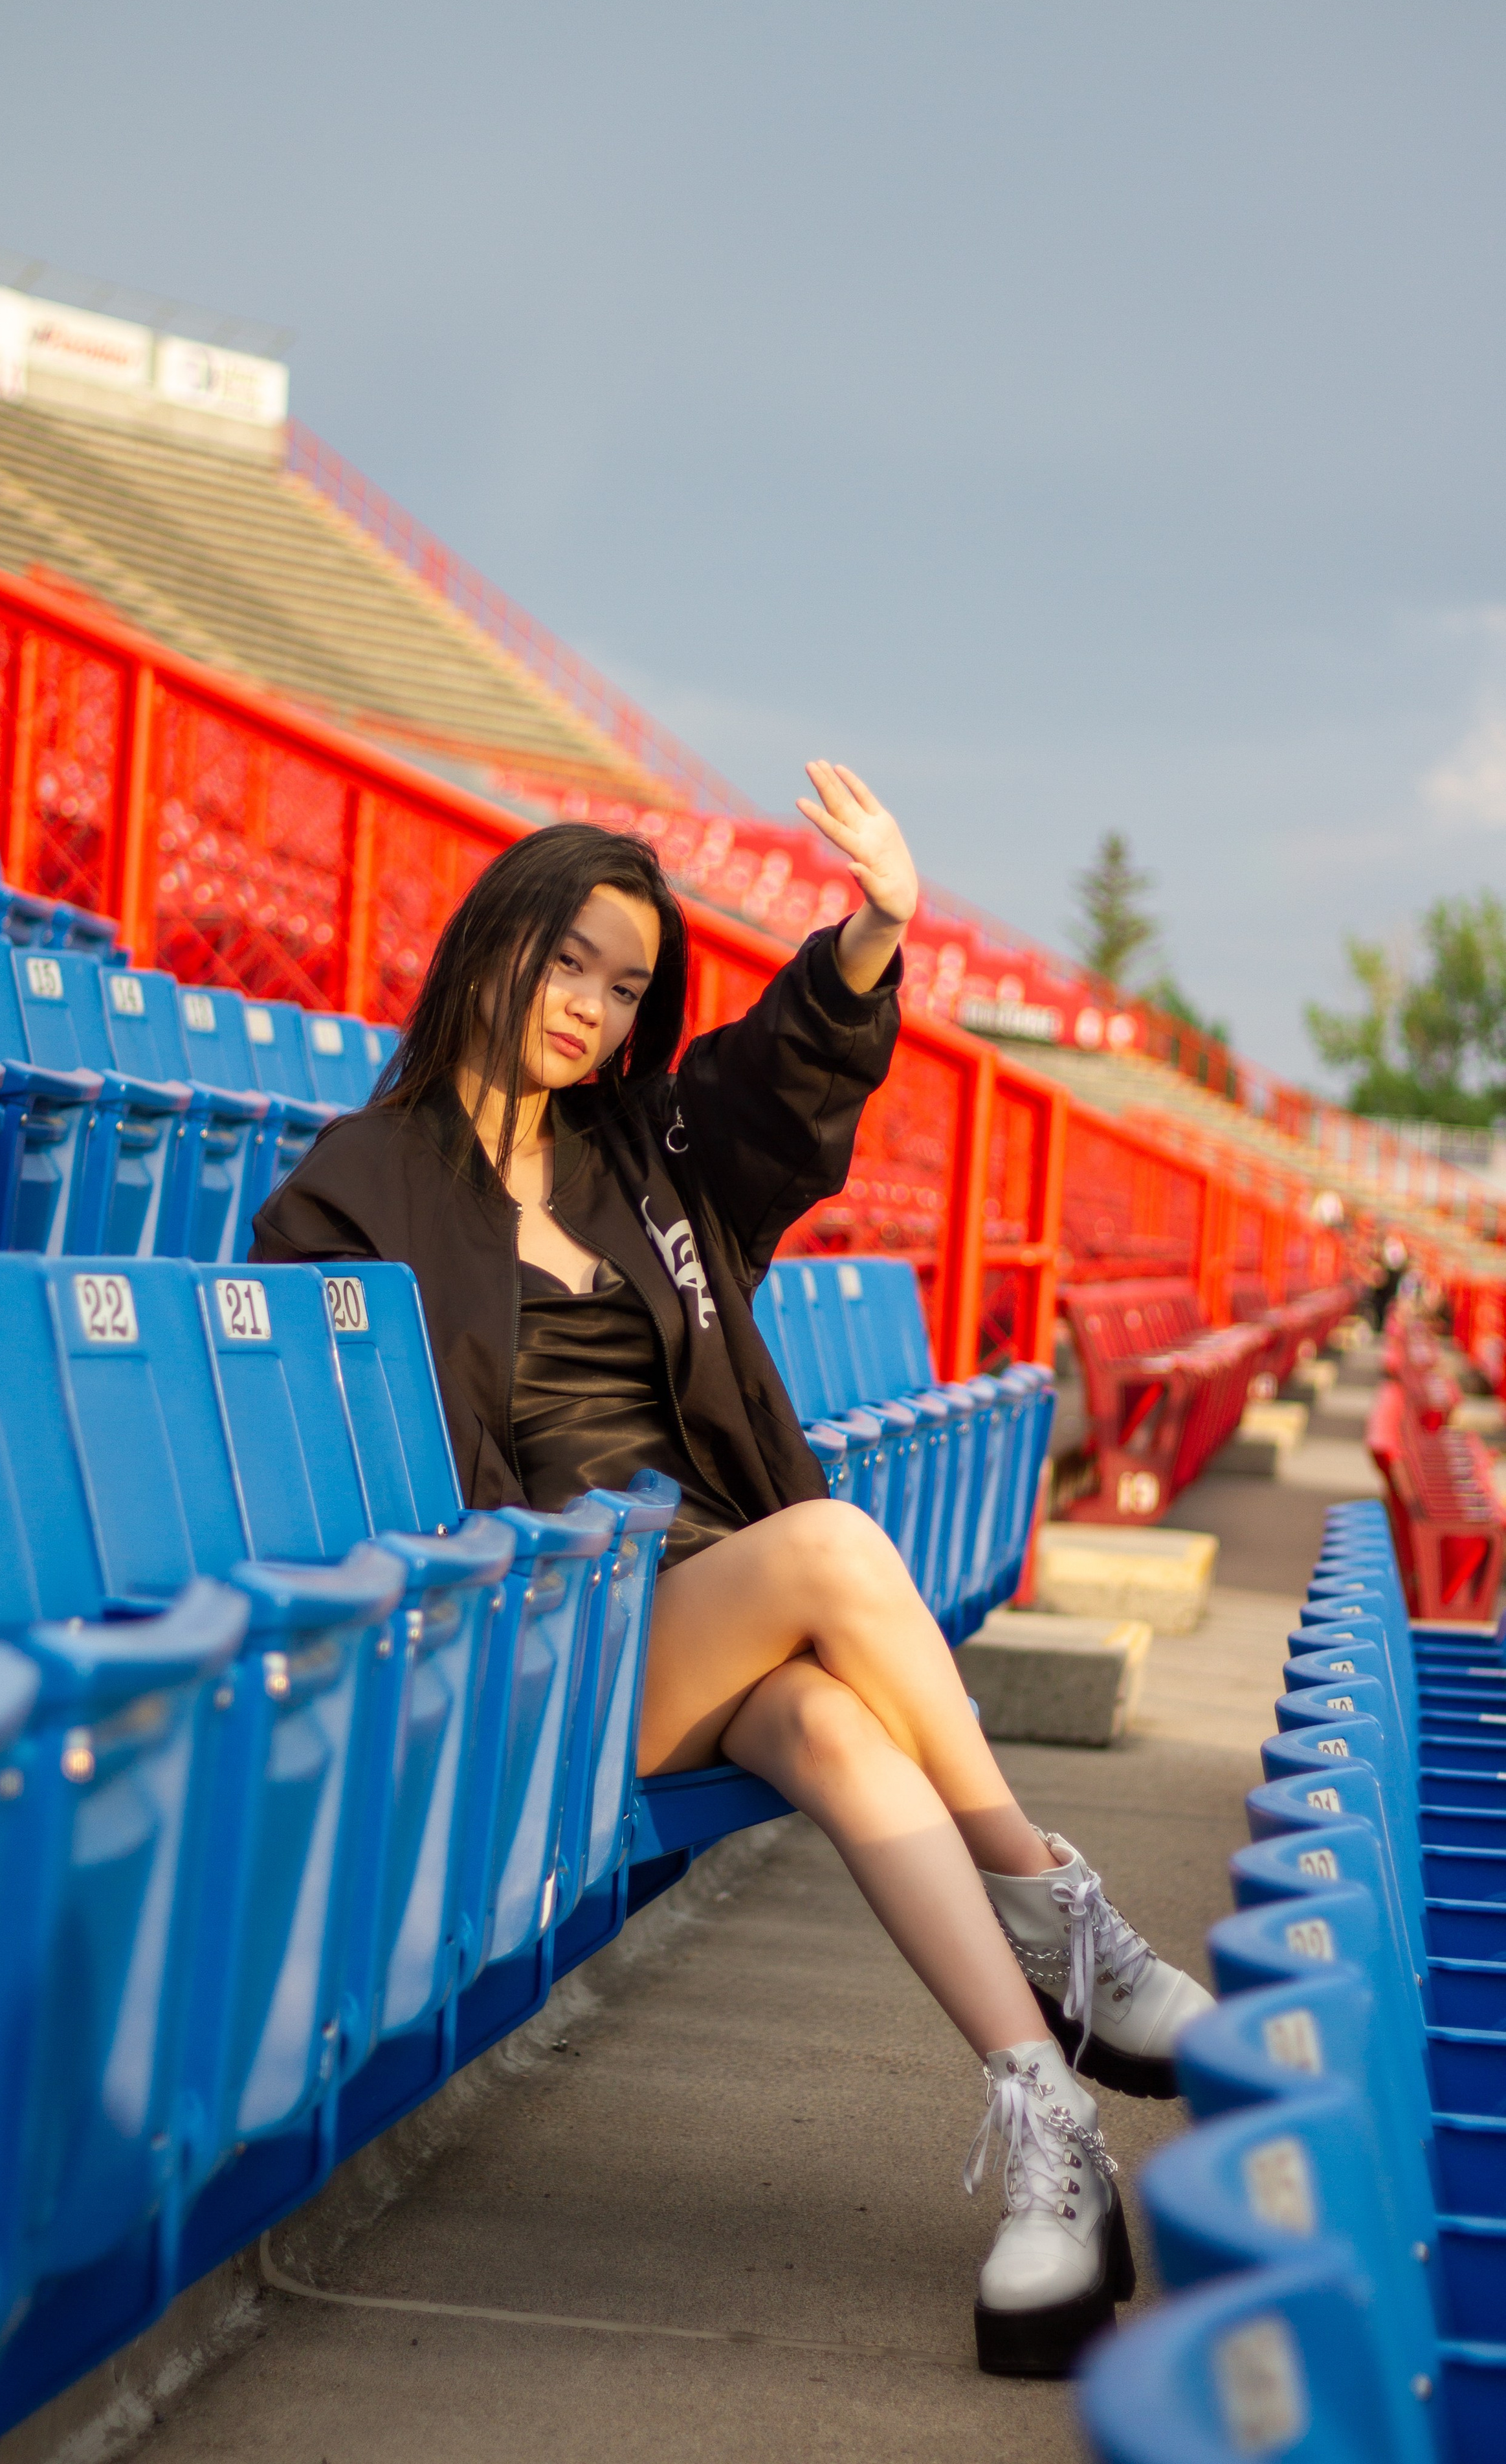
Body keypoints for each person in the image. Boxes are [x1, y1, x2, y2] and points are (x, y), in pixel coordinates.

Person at [251, 763, 1211, 2378]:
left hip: (699, 1611)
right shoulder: (346, 1195)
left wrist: (875, 925)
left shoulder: (634, 1153)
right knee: (834, 1544)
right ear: (489, 941)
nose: (589, 1008)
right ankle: (1062, 1918)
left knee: (834, 1732)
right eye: (565, 959)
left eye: (624, 987)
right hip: (539, 1636)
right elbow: (348, 1481)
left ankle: (1046, 2122)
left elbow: (774, 1090)